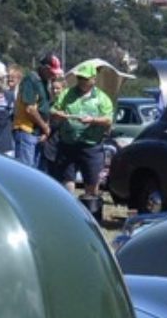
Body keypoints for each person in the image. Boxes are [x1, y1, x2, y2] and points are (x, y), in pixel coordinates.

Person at [46, 60, 115, 216]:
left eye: (85, 78)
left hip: (91, 146)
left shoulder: (102, 98)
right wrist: (59, 115)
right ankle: (67, 214)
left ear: (93, 80)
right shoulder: (67, 94)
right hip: (68, 144)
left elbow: (108, 120)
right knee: (66, 182)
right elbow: (54, 111)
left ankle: (91, 215)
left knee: (92, 184)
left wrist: (93, 120)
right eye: (79, 78)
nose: (82, 81)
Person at [13, 55, 56, 165]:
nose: (53, 75)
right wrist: (45, 127)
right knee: (25, 172)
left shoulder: (45, 82)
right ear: (44, 68)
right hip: (26, 131)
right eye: (52, 71)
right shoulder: (30, 80)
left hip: (38, 134)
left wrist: (45, 131)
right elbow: (30, 109)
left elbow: (44, 107)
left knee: (35, 171)